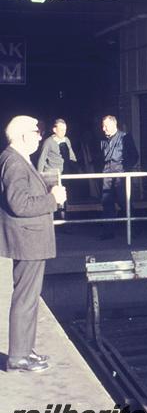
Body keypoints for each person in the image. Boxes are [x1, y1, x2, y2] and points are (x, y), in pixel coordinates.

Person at [0, 115, 67, 372]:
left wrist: (46, 188)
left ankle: (25, 350)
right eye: (36, 132)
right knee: (25, 298)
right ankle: (18, 356)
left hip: (28, 239)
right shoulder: (15, 163)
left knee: (28, 297)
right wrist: (52, 199)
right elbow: (20, 204)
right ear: (23, 135)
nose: (40, 136)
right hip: (27, 239)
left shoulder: (14, 159)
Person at [99, 115, 139, 240]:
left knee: (125, 202)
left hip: (121, 175)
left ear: (113, 125)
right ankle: (108, 232)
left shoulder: (125, 137)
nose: (103, 128)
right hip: (107, 174)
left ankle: (133, 231)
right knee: (107, 203)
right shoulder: (103, 140)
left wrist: (125, 170)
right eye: (103, 126)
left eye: (106, 126)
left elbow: (134, 156)